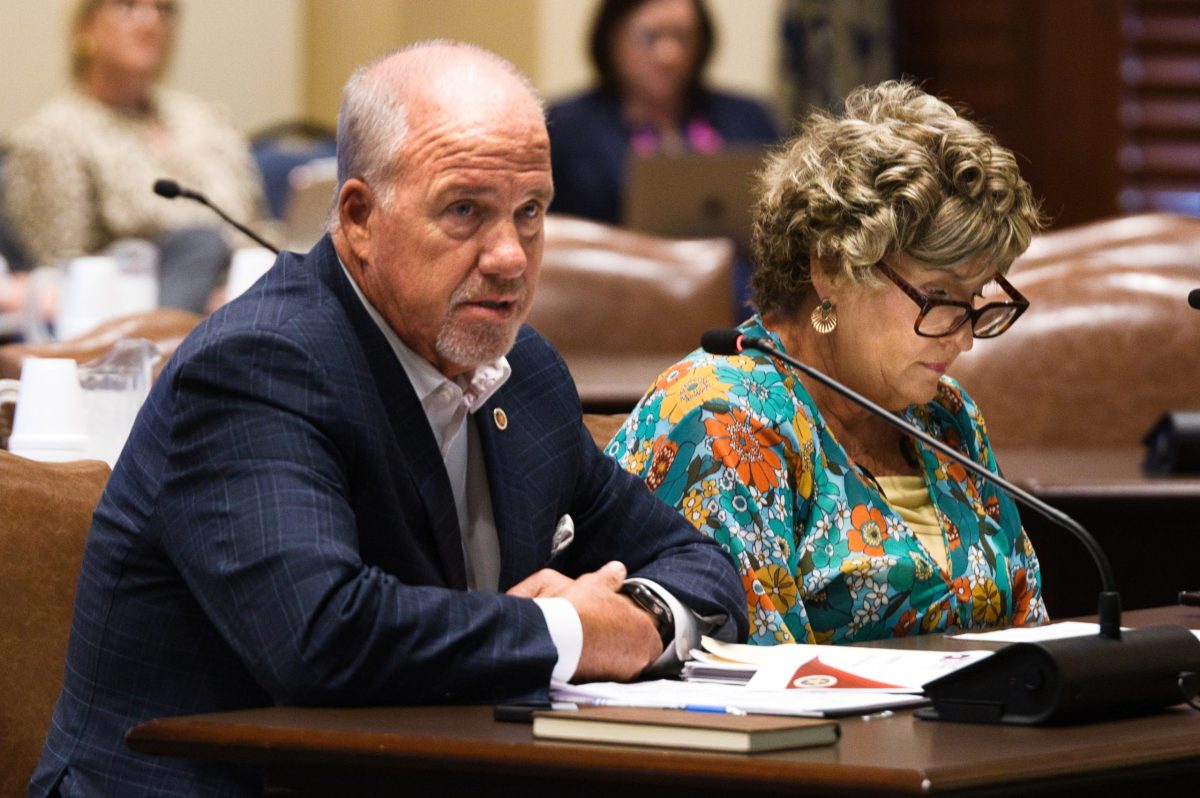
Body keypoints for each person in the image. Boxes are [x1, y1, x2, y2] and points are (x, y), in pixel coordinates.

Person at [29, 42, 745, 797]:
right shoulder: (258, 366)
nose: (510, 256)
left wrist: (641, 617)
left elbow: (699, 564)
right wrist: (573, 632)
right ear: (360, 217)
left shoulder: (523, 374)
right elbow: (321, 635)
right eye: (465, 210)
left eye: (530, 211)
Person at [608, 80, 1049, 646]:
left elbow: (1031, 634)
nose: (963, 338)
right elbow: (757, 671)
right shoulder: (724, 420)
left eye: (976, 299)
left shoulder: (947, 417)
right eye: (939, 296)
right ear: (832, 268)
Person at [3, 0, 265, 313]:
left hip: (252, 294)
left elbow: (258, 226)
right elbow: (64, 276)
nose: (150, 21)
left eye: (163, 9)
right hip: (142, 312)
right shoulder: (50, 137)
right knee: (198, 243)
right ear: (85, 26)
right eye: (128, 6)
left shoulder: (206, 119)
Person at [547, 0, 779, 225]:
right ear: (610, 38)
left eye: (683, 37)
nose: (669, 55)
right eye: (648, 37)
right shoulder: (567, 126)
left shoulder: (748, 118)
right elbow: (543, 227)